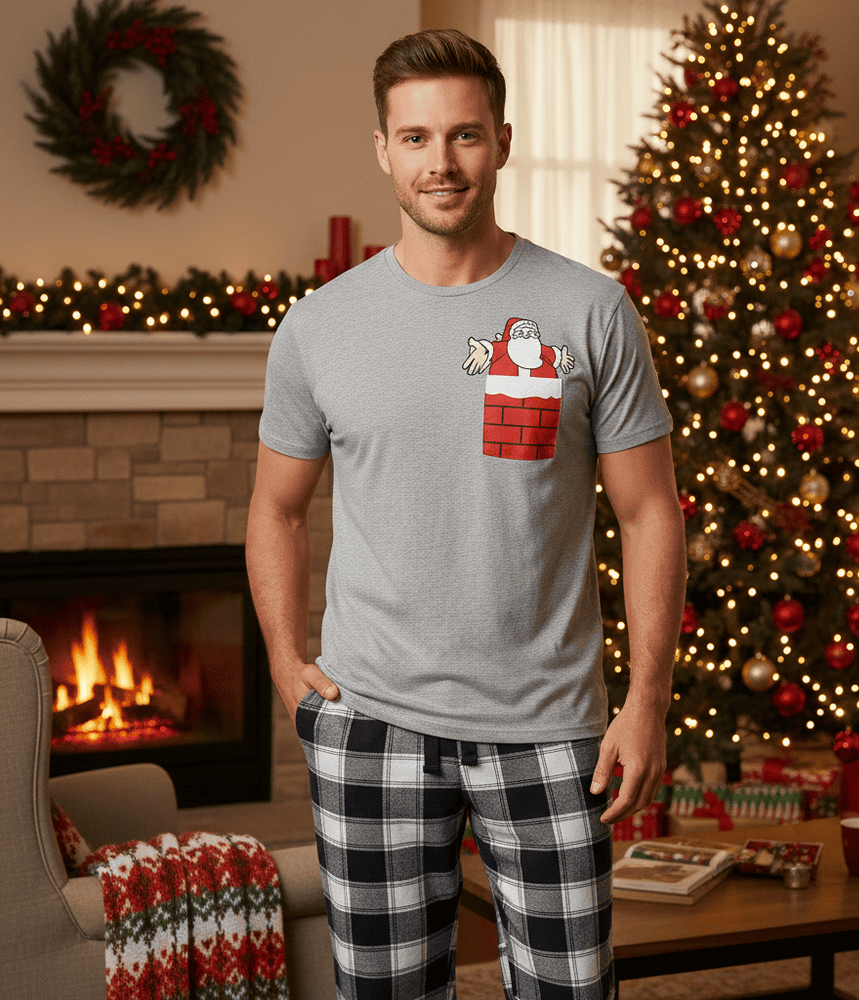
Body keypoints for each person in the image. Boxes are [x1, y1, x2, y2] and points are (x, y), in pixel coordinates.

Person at [246, 27, 686, 1000]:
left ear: (503, 140)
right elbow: (275, 509)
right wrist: (285, 661)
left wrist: (646, 701)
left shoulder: (589, 310)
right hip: (370, 727)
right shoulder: (319, 325)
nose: (440, 162)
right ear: (383, 148)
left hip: (550, 726)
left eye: (464, 136)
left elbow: (650, 512)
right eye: (415, 137)